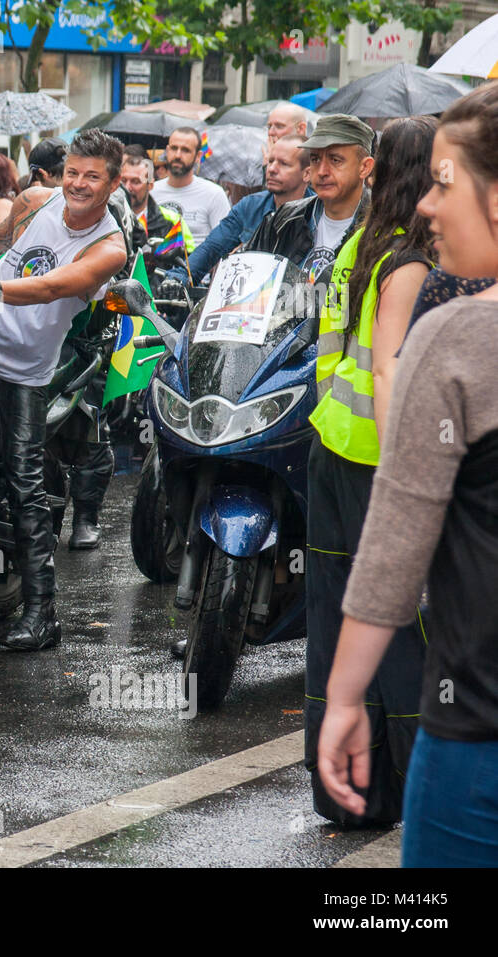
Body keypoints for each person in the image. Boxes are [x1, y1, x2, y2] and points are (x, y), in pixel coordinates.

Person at [317, 83, 498, 866]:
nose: (427, 205)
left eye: (445, 182)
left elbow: (395, 547)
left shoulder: (457, 339)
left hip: (474, 745)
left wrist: (346, 696)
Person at [303, 116, 435, 827]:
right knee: (402, 633)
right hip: (375, 463)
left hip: (334, 452)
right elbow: (388, 368)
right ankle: (415, 791)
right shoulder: (409, 260)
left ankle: (350, 794)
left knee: (339, 625)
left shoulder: (362, 242)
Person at [0, 129, 129, 648]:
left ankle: (42, 614)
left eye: (91, 176)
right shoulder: (38, 201)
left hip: (24, 367)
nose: (78, 184)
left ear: (112, 183)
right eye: (72, 172)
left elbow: (56, 285)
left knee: (25, 482)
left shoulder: (108, 247)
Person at [163, 134, 311, 288]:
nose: (272, 169)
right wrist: (178, 278)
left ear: (307, 173)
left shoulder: (317, 212)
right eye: (271, 161)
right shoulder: (250, 206)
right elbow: (211, 248)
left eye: (284, 164)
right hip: (246, 303)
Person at [245, 114, 374, 284]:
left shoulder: (381, 228)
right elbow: (247, 282)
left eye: (335, 160)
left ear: (364, 167)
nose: (322, 171)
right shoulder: (285, 219)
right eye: (315, 159)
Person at [150, 127, 230, 248]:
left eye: (185, 150)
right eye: (174, 148)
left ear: (198, 156)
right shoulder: (151, 192)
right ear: (167, 151)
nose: (178, 155)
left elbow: (224, 244)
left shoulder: (214, 194)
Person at [118, 150, 192, 274]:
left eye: (135, 182)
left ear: (150, 185)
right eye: (123, 181)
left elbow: (186, 264)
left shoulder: (171, 220)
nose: (127, 188)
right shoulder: (110, 215)